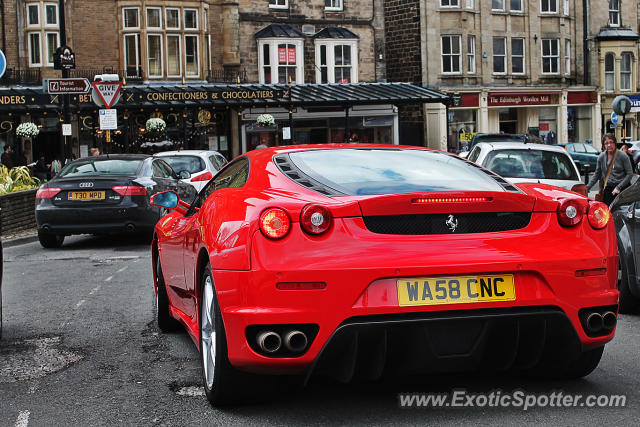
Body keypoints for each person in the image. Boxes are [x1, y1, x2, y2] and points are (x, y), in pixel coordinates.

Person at [587, 133, 634, 205]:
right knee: (608, 213)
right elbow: (596, 175)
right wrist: (587, 187)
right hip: (608, 189)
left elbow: (630, 174)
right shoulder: (601, 157)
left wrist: (619, 187)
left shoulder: (623, 155)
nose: (609, 145)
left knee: (622, 212)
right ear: (603, 145)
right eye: (606, 143)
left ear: (615, 143)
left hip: (622, 190)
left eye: (611, 142)